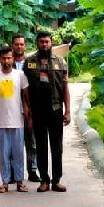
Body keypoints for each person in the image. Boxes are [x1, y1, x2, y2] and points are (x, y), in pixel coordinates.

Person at [22, 30, 70, 192]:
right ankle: (44, 180)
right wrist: (27, 107)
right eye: (41, 41)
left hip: (56, 108)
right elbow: (25, 88)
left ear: (51, 43)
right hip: (38, 110)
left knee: (57, 146)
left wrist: (68, 110)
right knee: (41, 146)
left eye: (47, 41)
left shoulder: (60, 61)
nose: (44, 44)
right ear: (37, 43)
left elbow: (65, 87)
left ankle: (56, 180)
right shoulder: (29, 62)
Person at [0, 45, 32, 193]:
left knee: (18, 153)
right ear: (0, 59)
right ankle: (5, 182)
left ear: (13, 59)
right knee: (4, 154)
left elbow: (26, 97)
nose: (7, 60)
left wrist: (28, 114)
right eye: (4, 58)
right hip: (1, 122)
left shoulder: (20, 75)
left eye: (9, 58)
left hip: (18, 121)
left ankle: (20, 182)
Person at [11, 33, 40, 183]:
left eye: (21, 44)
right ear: (12, 46)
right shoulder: (8, 63)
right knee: (14, 143)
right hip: (13, 108)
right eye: (16, 44)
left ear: (25, 46)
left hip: (30, 107)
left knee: (31, 141)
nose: (19, 47)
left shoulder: (31, 63)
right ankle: (13, 172)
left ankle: (33, 170)